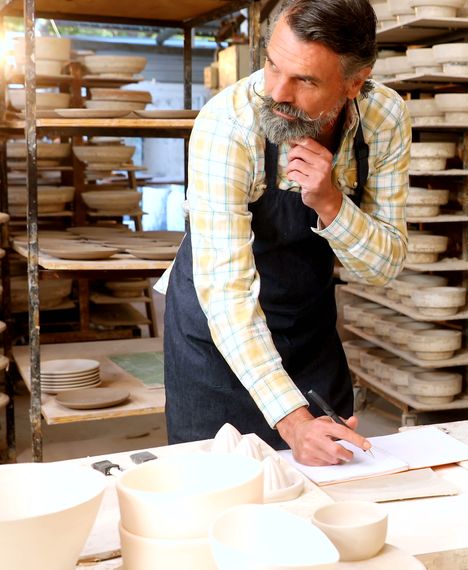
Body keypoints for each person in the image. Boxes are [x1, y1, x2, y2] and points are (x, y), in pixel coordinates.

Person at [158, 0, 409, 466]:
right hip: (217, 337)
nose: (277, 92)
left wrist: (332, 202)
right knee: (217, 496)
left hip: (308, 328)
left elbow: (383, 268)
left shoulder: (384, 119)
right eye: (272, 65)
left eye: (305, 80)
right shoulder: (227, 125)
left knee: (330, 494)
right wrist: (293, 421)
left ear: (355, 82)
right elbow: (229, 296)